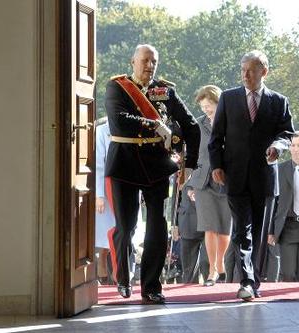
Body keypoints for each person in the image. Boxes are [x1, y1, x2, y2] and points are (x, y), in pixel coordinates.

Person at [105, 44, 200, 304]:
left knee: (158, 227)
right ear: (132, 61)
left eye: (154, 61)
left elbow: (192, 126)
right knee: (126, 227)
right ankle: (124, 277)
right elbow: (119, 119)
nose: (149, 66)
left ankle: (151, 286)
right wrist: (156, 124)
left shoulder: (165, 90)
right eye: (145, 60)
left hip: (157, 164)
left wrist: (189, 164)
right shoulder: (117, 87)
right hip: (124, 162)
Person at [208, 50, 294, 300]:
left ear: (264, 72)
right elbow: (216, 139)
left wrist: (278, 147)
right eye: (243, 69)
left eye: (251, 70)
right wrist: (216, 166)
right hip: (234, 176)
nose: (245, 75)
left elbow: (287, 134)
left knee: (258, 232)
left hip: (264, 177)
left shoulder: (279, 101)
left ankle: (254, 281)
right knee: (241, 231)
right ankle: (245, 281)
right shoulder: (228, 98)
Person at [190, 85, 232, 286]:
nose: (206, 109)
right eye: (203, 106)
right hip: (203, 182)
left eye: (209, 105)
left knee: (224, 229)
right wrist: (190, 184)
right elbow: (192, 155)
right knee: (209, 227)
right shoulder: (197, 125)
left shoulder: (231, 123)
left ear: (218, 103)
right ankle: (212, 271)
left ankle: (220, 261)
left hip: (226, 181)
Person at [268, 131, 299, 282]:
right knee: (287, 273)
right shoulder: (279, 170)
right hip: (287, 228)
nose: (296, 149)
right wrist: (271, 231)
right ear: (289, 148)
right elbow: (273, 203)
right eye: (293, 145)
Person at [175, 182, 209, 283]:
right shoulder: (183, 171)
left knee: (206, 264)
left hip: (210, 221)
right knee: (189, 270)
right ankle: (190, 296)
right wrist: (175, 224)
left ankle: (212, 293)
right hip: (187, 221)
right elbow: (176, 199)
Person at [95, 117, 115, 285]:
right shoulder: (102, 131)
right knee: (105, 234)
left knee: (124, 232)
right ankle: (102, 262)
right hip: (107, 187)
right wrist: (99, 194)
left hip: (127, 185)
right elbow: (99, 165)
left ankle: (120, 271)